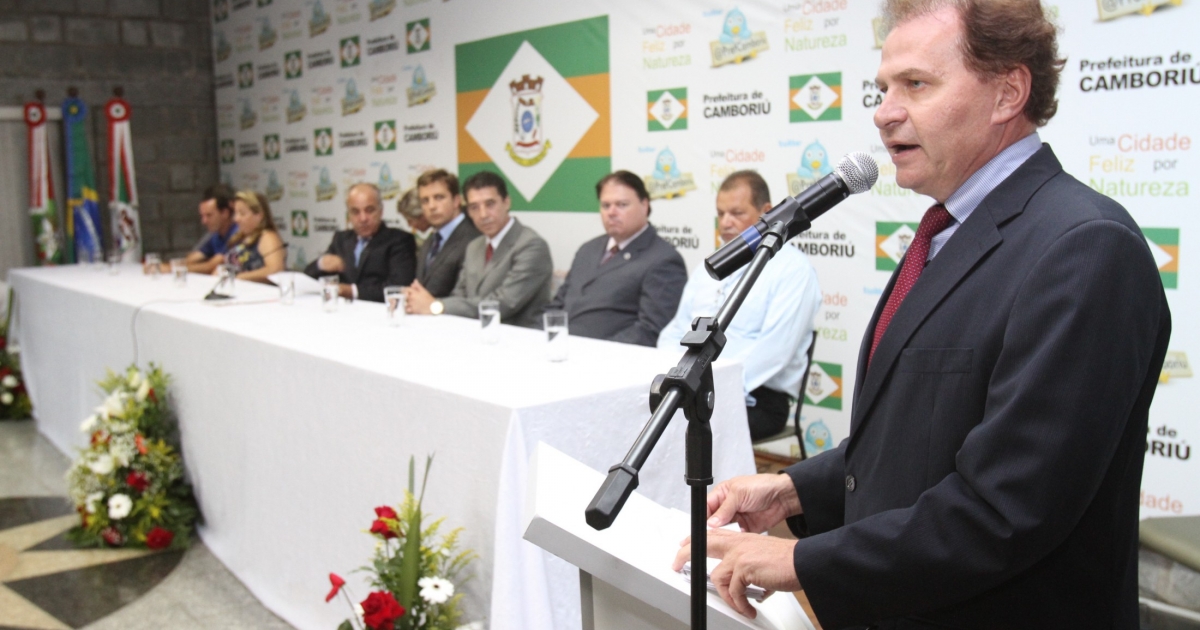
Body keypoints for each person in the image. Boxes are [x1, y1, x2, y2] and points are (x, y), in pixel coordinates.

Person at [672, 3, 1172, 629]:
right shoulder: (944, 231)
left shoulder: (1085, 248)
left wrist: (802, 561)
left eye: (916, 84)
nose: (884, 112)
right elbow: (918, 437)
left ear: (1007, 92)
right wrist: (794, 490)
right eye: (884, 88)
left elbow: (1006, 509)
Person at [658, 170, 819, 441]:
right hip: (690, 388)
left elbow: (775, 351)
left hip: (757, 399)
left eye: (736, 213)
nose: (726, 223)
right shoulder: (709, 267)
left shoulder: (793, 269)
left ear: (767, 212)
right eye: (720, 214)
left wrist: (709, 388)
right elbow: (674, 331)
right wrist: (669, 376)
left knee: (677, 433)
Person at [547, 171, 686, 346]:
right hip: (559, 350)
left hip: (609, 360)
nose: (611, 212)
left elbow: (651, 330)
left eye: (622, 205)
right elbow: (557, 306)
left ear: (645, 205)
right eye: (605, 205)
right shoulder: (588, 249)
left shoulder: (664, 259)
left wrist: (595, 353)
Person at [405, 171, 551, 328]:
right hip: (474, 332)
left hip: (518, 338)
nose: (483, 214)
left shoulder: (531, 245)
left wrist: (436, 306)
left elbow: (504, 303)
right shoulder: (475, 246)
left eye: (490, 204)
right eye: (474, 207)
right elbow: (459, 295)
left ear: (507, 202)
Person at [303, 183, 416, 302]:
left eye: (369, 210)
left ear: (381, 211)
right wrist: (320, 263)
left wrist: (351, 291)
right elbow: (308, 280)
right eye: (355, 212)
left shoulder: (399, 240)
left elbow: (399, 287)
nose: (363, 218)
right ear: (348, 215)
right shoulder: (341, 239)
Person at [412, 169, 481, 298]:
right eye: (425, 201)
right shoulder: (431, 240)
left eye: (439, 197)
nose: (431, 206)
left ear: (456, 201)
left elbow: (466, 297)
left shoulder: (473, 240)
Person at [213, 190, 285, 283]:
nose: (236, 219)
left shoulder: (268, 237)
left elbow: (275, 269)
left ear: (259, 215)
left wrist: (238, 277)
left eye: (242, 214)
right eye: (236, 213)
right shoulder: (239, 238)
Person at [184, 184, 237, 274]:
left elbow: (213, 265)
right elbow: (193, 258)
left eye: (209, 215)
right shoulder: (214, 234)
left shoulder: (238, 233)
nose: (204, 221)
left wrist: (171, 269)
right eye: (202, 216)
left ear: (225, 213)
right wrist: (168, 266)